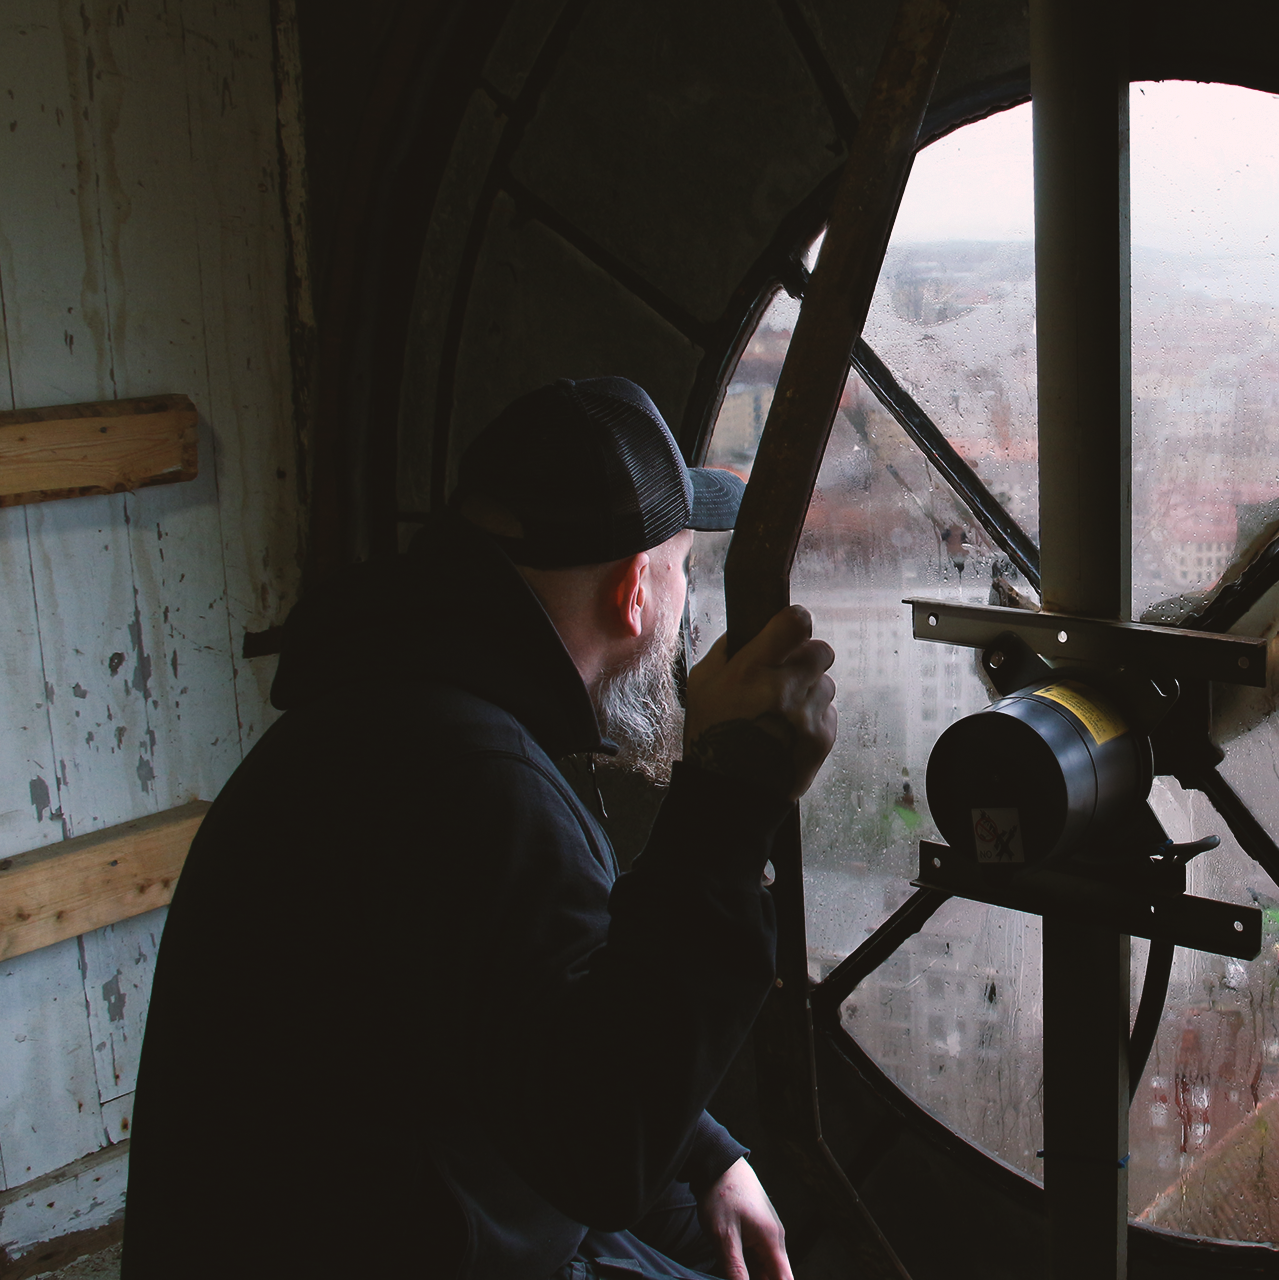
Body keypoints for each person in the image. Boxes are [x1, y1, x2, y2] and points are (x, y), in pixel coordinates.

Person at [123, 377, 835, 1280]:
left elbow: (527, 1021)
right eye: (682, 568)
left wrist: (704, 1155)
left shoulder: (392, 712)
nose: (686, 603)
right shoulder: (474, 783)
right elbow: (598, 1148)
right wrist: (729, 807)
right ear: (634, 597)